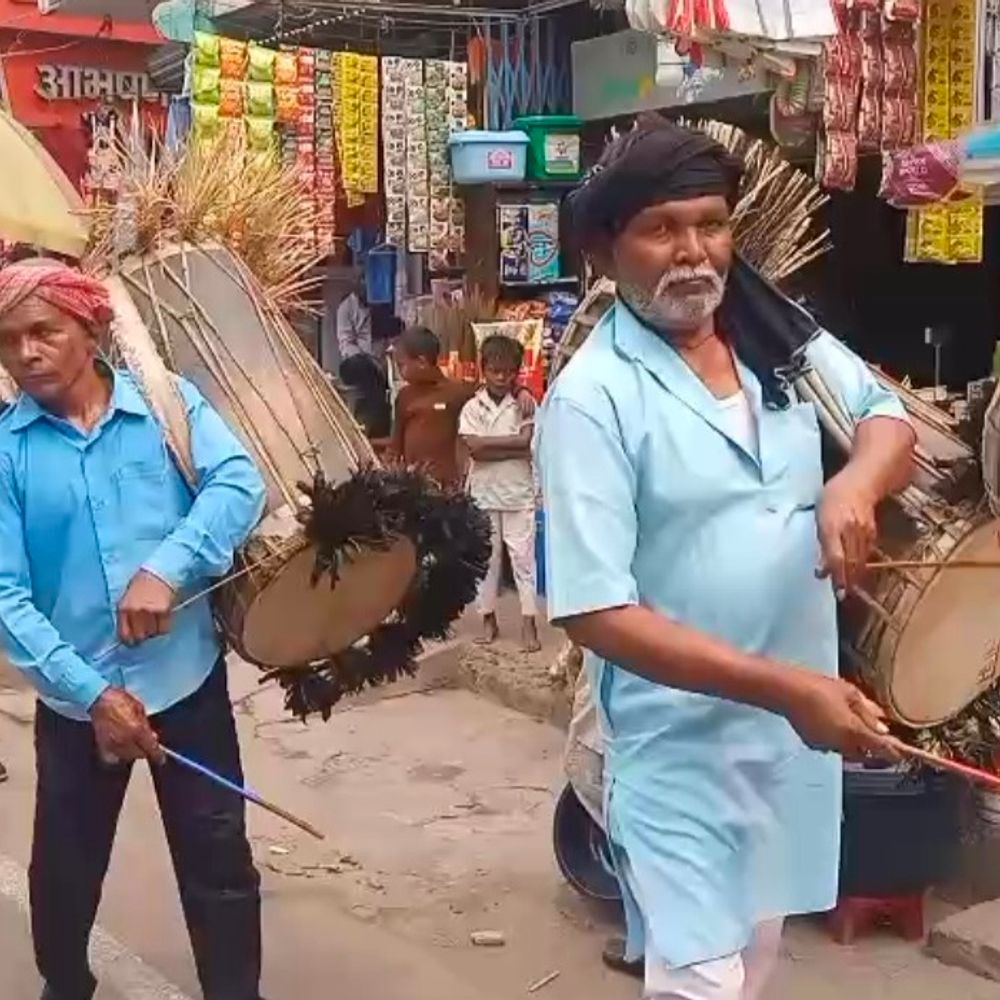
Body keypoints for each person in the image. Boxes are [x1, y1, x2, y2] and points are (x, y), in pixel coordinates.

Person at [535, 118, 915, 1000]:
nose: (694, 251)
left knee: (751, 971)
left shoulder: (775, 338)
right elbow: (596, 612)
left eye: (711, 223)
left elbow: (885, 415)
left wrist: (853, 486)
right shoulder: (593, 398)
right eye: (662, 229)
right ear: (606, 248)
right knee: (700, 982)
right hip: (681, 758)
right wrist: (791, 691)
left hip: (788, 750)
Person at [0, 259, 268, 1000]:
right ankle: (65, 984)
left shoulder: (165, 406)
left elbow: (240, 482)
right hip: (75, 701)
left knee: (218, 855)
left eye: (44, 331)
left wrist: (169, 566)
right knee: (64, 866)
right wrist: (92, 695)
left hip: (185, 679)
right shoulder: (7, 451)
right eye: (9, 339)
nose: (26, 353)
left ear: (89, 331)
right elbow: (5, 595)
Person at [460, 334, 541, 653]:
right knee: (487, 561)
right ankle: (487, 619)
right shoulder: (472, 407)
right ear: (484, 370)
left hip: (517, 493)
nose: (501, 378)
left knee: (523, 560)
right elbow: (475, 452)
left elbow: (525, 444)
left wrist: (491, 446)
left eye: (508, 373)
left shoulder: (524, 403)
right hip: (484, 493)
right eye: (495, 371)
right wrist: (510, 447)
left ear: (516, 373)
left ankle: (529, 622)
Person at [389, 325, 476, 487]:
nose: (399, 371)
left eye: (401, 365)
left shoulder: (458, 393)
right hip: (415, 485)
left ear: (422, 362)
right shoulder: (405, 397)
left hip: (449, 485)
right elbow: (396, 445)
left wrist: (522, 391)